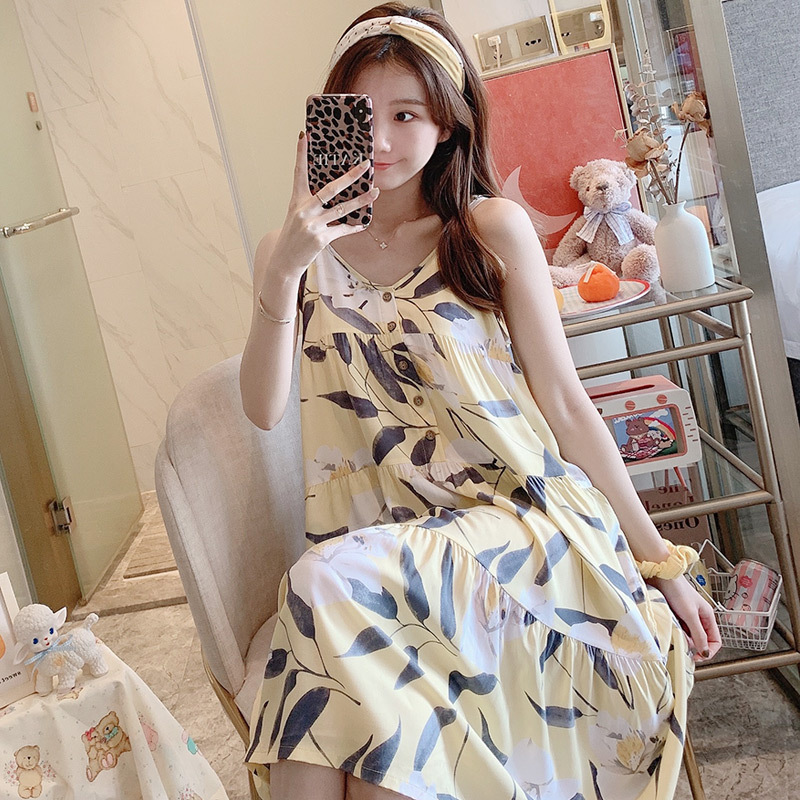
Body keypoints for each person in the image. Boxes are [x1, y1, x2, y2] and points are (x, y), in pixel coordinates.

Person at [239, 5, 721, 799]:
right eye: (362, 114)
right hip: (387, 546)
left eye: (407, 115)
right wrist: (287, 267)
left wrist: (659, 560)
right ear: (329, 119)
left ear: (448, 123)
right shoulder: (290, 252)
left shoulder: (488, 228)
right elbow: (263, 409)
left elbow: (565, 404)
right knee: (372, 752)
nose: (381, 140)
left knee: (316, 584)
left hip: (519, 520)